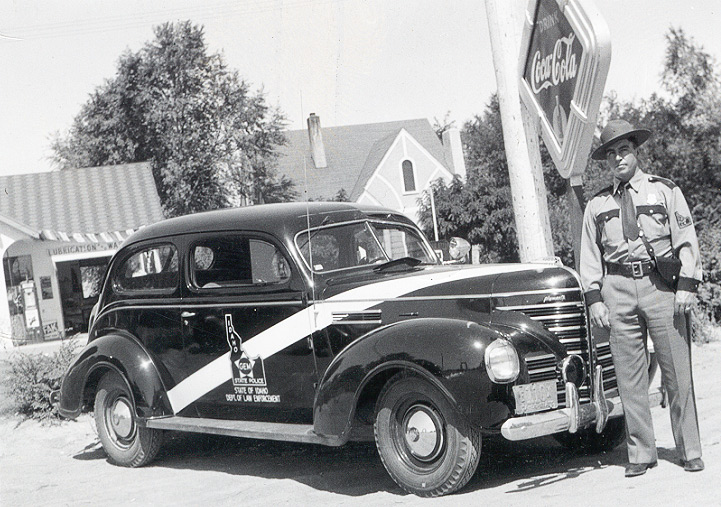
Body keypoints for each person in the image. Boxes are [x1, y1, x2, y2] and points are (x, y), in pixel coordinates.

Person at [579, 119, 704, 477]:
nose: (618, 158)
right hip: (617, 289)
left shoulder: (664, 191)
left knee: (677, 371)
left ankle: (690, 448)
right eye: (612, 153)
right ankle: (641, 452)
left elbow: (686, 240)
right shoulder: (597, 205)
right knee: (629, 376)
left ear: (636, 152)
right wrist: (595, 299)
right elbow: (589, 256)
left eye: (624, 150)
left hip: (660, 287)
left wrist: (687, 286)